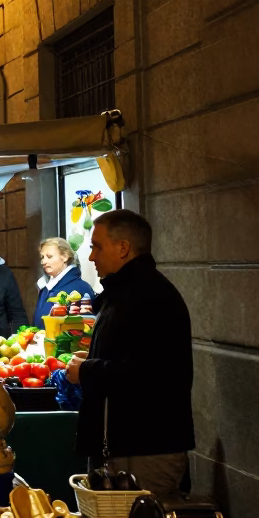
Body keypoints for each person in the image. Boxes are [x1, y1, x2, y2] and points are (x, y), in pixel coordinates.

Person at [66, 211, 194, 498]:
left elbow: (150, 374)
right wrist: (91, 361)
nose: (91, 258)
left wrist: (86, 371)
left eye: (97, 247)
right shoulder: (124, 293)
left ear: (123, 248)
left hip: (144, 450)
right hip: (124, 449)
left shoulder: (150, 296)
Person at [32, 237, 96, 326]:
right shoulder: (46, 287)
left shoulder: (80, 288)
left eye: (49, 257)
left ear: (65, 257)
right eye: (42, 257)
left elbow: (83, 330)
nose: (43, 261)